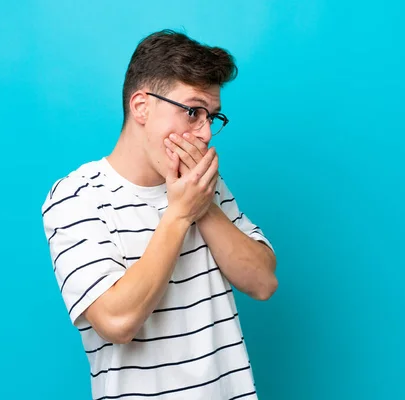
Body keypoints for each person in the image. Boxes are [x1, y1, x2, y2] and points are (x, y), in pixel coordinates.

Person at [41, 29, 278, 400]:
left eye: (212, 117)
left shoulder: (206, 188)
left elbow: (263, 282)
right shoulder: (76, 197)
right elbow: (117, 322)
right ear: (141, 107)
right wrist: (180, 214)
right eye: (192, 112)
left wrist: (203, 206)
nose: (204, 134)